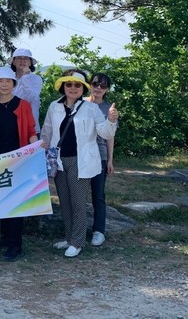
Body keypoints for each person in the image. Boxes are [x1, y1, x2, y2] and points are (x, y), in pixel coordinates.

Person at [41, 69, 118, 258]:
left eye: (77, 85)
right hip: (59, 161)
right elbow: (47, 130)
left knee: (77, 202)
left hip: (80, 161)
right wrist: (41, 149)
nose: (73, 88)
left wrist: (110, 120)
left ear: (83, 88)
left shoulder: (91, 108)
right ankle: (69, 238)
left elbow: (105, 133)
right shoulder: (54, 106)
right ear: (63, 86)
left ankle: (77, 242)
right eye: (69, 84)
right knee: (65, 201)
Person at [0, 67, 38, 261]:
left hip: (19, 159)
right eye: (0, 81)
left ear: (14, 84)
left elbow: (31, 130)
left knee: (16, 200)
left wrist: (35, 149)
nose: (4, 84)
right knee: (2, 198)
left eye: (8, 81)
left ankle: (15, 245)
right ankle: (5, 237)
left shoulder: (23, 105)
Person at [87, 72, 116, 247]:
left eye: (103, 85)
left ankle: (99, 231)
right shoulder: (80, 103)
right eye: (95, 84)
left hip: (100, 155)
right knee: (77, 195)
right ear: (90, 84)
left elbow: (110, 136)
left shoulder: (108, 109)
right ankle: (76, 230)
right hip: (81, 155)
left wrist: (110, 159)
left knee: (98, 195)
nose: (98, 88)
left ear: (107, 89)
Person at [8, 48, 43, 133]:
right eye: (19, 58)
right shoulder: (8, 78)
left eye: (26, 58)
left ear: (30, 62)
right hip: (11, 126)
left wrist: (25, 77)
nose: (22, 61)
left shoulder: (36, 79)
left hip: (31, 128)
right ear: (13, 61)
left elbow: (31, 97)